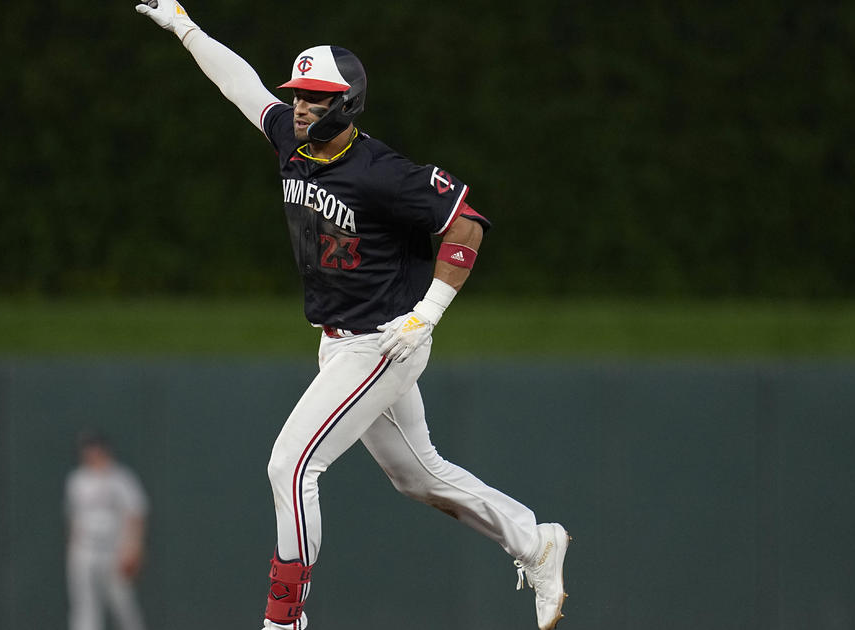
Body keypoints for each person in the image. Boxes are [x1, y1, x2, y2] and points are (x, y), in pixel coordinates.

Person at [134, 3, 570, 629]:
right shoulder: (292, 138)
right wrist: (185, 27)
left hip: (383, 341)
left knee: (291, 464)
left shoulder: (383, 172)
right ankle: (536, 541)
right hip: (339, 341)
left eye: (313, 98)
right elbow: (241, 87)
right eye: (299, 96)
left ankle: (284, 618)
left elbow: (467, 226)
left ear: (344, 104)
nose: (300, 107)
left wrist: (427, 316)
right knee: (418, 477)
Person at [64, 432, 150, 630]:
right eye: (88, 449)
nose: (91, 454)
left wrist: (133, 549)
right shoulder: (77, 480)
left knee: (122, 604)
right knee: (84, 607)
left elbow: (136, 515)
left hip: (114, 550)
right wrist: (71, 550)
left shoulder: (121, 478)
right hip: (84, 549)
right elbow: (73, 518)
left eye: (95, 448)